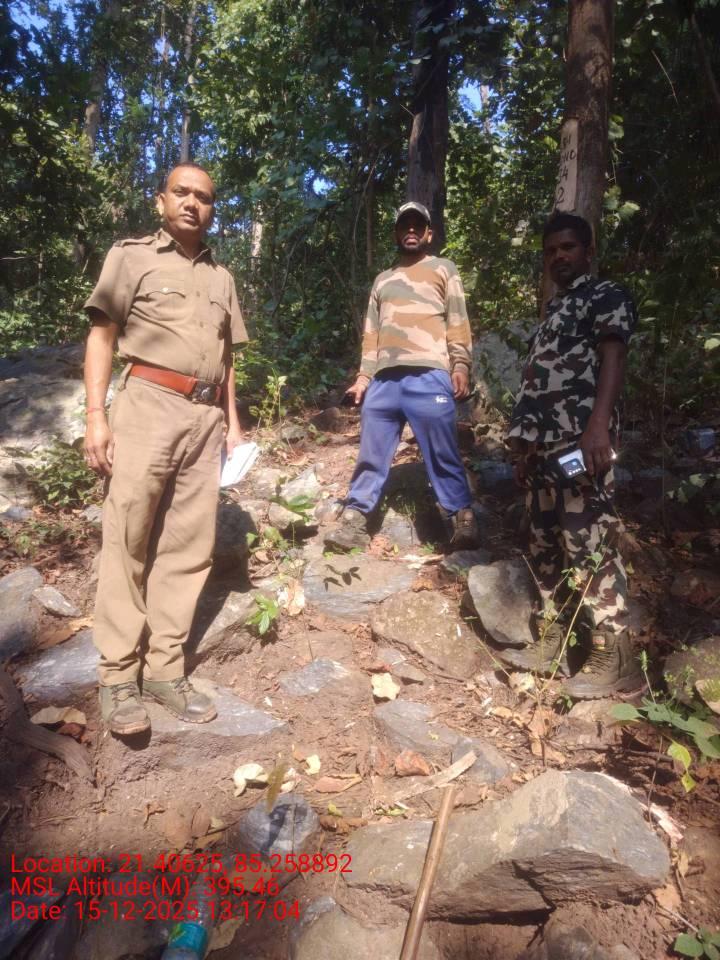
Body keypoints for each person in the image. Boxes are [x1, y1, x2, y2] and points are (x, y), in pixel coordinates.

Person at [83, 162, 248, 735]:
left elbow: (227, 358)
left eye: (203, 197)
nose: (192, 203)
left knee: (189, 546)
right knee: (127, 539)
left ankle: (164, 670)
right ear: (161, 201)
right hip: (148, 404)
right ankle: (116, 677)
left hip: (206, 418)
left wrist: (233, 424)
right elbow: (102, 335)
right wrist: (96, 416)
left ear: (212, 210)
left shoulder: (222, 277)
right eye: (182, 192)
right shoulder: (131, 257)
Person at [504, 211, 642, 698]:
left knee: (589, 537)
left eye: (568, 247)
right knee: (545, 542)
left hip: (580, 440)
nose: (558, 256)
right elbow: (540, 384)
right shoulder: (554, 311)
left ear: (588, 251)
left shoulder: (605, 295)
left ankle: (614, 654)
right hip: (543, 450)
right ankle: (554, 638)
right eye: (550, 251)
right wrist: (524, 450)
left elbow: (614, 356)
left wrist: (599, 426)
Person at [325, 200, 478, 552]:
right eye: (404, 225)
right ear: (396, 233)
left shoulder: (443, 269)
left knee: (443, 450)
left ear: (429, 233)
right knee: (371, 452)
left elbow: (458, 320)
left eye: (417, 225)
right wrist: (363, 378)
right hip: (385, 380)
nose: (411, 230)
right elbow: (371, 333)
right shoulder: (383, 280)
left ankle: (462, 518)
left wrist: (460, 365)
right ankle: (355, 519)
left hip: (429, 375)